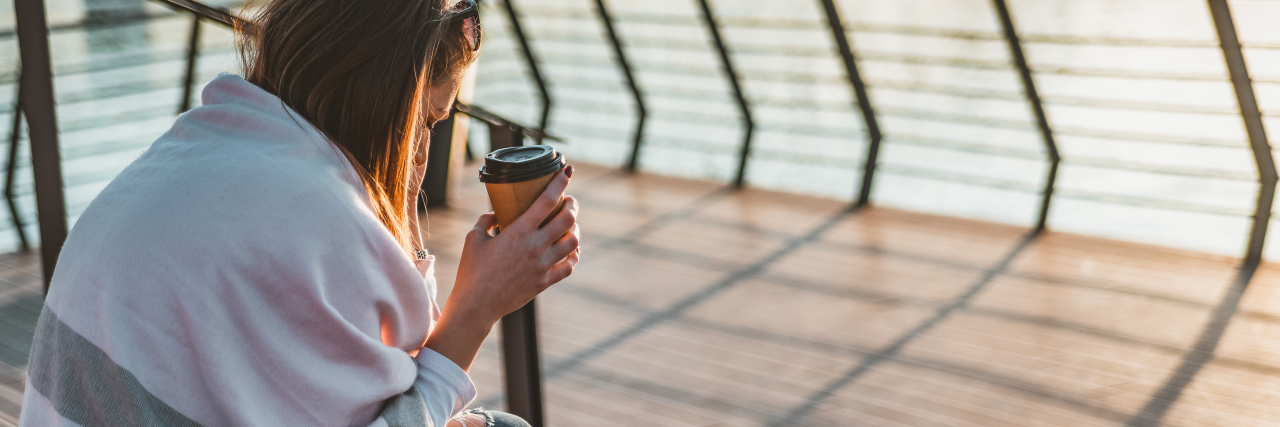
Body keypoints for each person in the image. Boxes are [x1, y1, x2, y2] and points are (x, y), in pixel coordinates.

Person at [18, 0, 579, 425]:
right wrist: (476, 307)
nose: (425, 148)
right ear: (388, 101)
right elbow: (407, 383)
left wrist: (397, 208)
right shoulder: (322, 219)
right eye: (429, 119)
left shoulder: (201, 141)